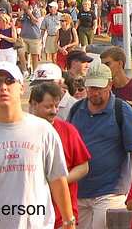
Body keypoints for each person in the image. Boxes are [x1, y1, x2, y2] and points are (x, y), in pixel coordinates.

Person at [0, 62, 74, 229]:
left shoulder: (44, 130)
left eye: (10, 81)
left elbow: (57, 180)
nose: (3, 87)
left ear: (22, 88)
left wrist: (69, 221)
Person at [66, 61, 132, 229]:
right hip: (80, 191)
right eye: (91, 87)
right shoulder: (76, 109)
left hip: (111, 191)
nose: (94, 92)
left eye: (99, 88)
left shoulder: (122, 110)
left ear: (110, 85)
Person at [29, 81, 91, 229]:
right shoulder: (22, 132)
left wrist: (59, 183)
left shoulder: (68, 130)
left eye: (56, 106)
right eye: (48, 106)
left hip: (62, 216)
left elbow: (83, 166)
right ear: (33, 104)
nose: (54, 111)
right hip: (31, 215)